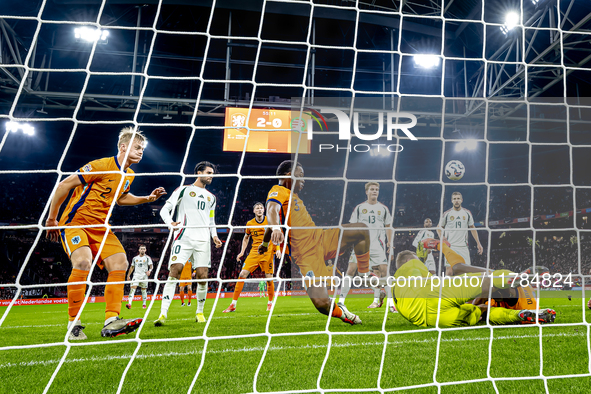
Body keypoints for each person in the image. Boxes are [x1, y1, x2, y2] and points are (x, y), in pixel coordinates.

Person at [45, 127, 166, 340]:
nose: (141, 152)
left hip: (101, 227)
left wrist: (146, 199)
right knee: (82, 262)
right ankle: (74, 324)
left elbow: (121, 198)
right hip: (76, 223)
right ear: (123, 147)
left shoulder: (129, 175)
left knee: (120, 262)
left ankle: (111, 320)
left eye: (142, 149)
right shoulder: (101, 165)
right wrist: (52, 218)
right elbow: (65, 185)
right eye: (137, 148)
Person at [258, 160, 370, 325]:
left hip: (321, 238)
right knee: (321, 304)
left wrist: (265, 244)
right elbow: (271, 210)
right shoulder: (278, 190)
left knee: (361, 230)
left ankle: (364, 273)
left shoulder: (293, 197)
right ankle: (343, 313)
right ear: (288, 175)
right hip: (306, 255)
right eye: (300, 175)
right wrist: (275, 229)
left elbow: (270, 224)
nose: (303, 180)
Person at [393, 239, 555, 328]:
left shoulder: (395, 289)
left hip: (430, 320)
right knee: (466, 274)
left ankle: (518, 316)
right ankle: (513, 282)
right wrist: (438, 245)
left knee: (480, 314)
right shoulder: (410, 265)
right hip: (517, 295)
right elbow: (452, 269)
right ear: (408, 260)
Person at [154, 161, 222, 326]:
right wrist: (171, 224)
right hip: (183, 238)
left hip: (203, 240)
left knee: (202, 276)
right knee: (174, 272)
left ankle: (199, 312)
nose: (211, 175)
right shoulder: (183, 190)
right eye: (208, 172)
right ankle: (163, 314)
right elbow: (164, 209)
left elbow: (211, 220)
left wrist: (214, 236)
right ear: (199, 173)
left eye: (212, 173)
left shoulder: (211, 198)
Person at [339, 182, 393, 311]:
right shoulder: (359, 208)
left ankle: (391, 304)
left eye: (376, 189)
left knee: (384, 272)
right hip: (361, 244)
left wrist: (390, 243)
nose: (375, 191)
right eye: (372, 189)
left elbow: (388, 227)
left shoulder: (383, 209)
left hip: (377, 245)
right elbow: (353, 227)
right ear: (366, 192)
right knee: (352, 271)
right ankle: (341, 301)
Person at [223, 202, 281, 313]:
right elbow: (246, 238)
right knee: (242, 274)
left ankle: (270, 303)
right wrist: (242, 252)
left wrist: (277, 249)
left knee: (269, 279)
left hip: (268, 252)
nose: (259, 209)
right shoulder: (250, 223)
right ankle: (233, 304)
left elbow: (276, 235)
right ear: (254, 211)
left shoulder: (270, 220)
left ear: (264, 210)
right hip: (254, 252)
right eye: (257, 208)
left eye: (261, 208)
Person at [437, 192, 483, 270]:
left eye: (458, 198)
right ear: (452, 201)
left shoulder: (467, 213)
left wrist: (478, 243)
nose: (456, 200)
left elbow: (472, 228)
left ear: (461, 200)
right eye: (454, 199)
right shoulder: (447, 214)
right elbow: (438, 228)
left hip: (463, 247)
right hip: (451, 247)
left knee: (467, 271)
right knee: (449, 271)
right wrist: (442, 237)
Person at [126, 245, 153, 310]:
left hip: (144, 276)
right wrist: (128, 275)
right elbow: (132, 267)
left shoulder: (147, 258)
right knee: (132, 289)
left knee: (143, 290)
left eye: (144, 249)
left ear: (145, 250)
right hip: (136, 276)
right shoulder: (135, 258)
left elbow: (151, 266)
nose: (142, 250)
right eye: (141, 249)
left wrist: (149, 271)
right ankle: (129, 303)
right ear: (139, 250)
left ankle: (144, 304)